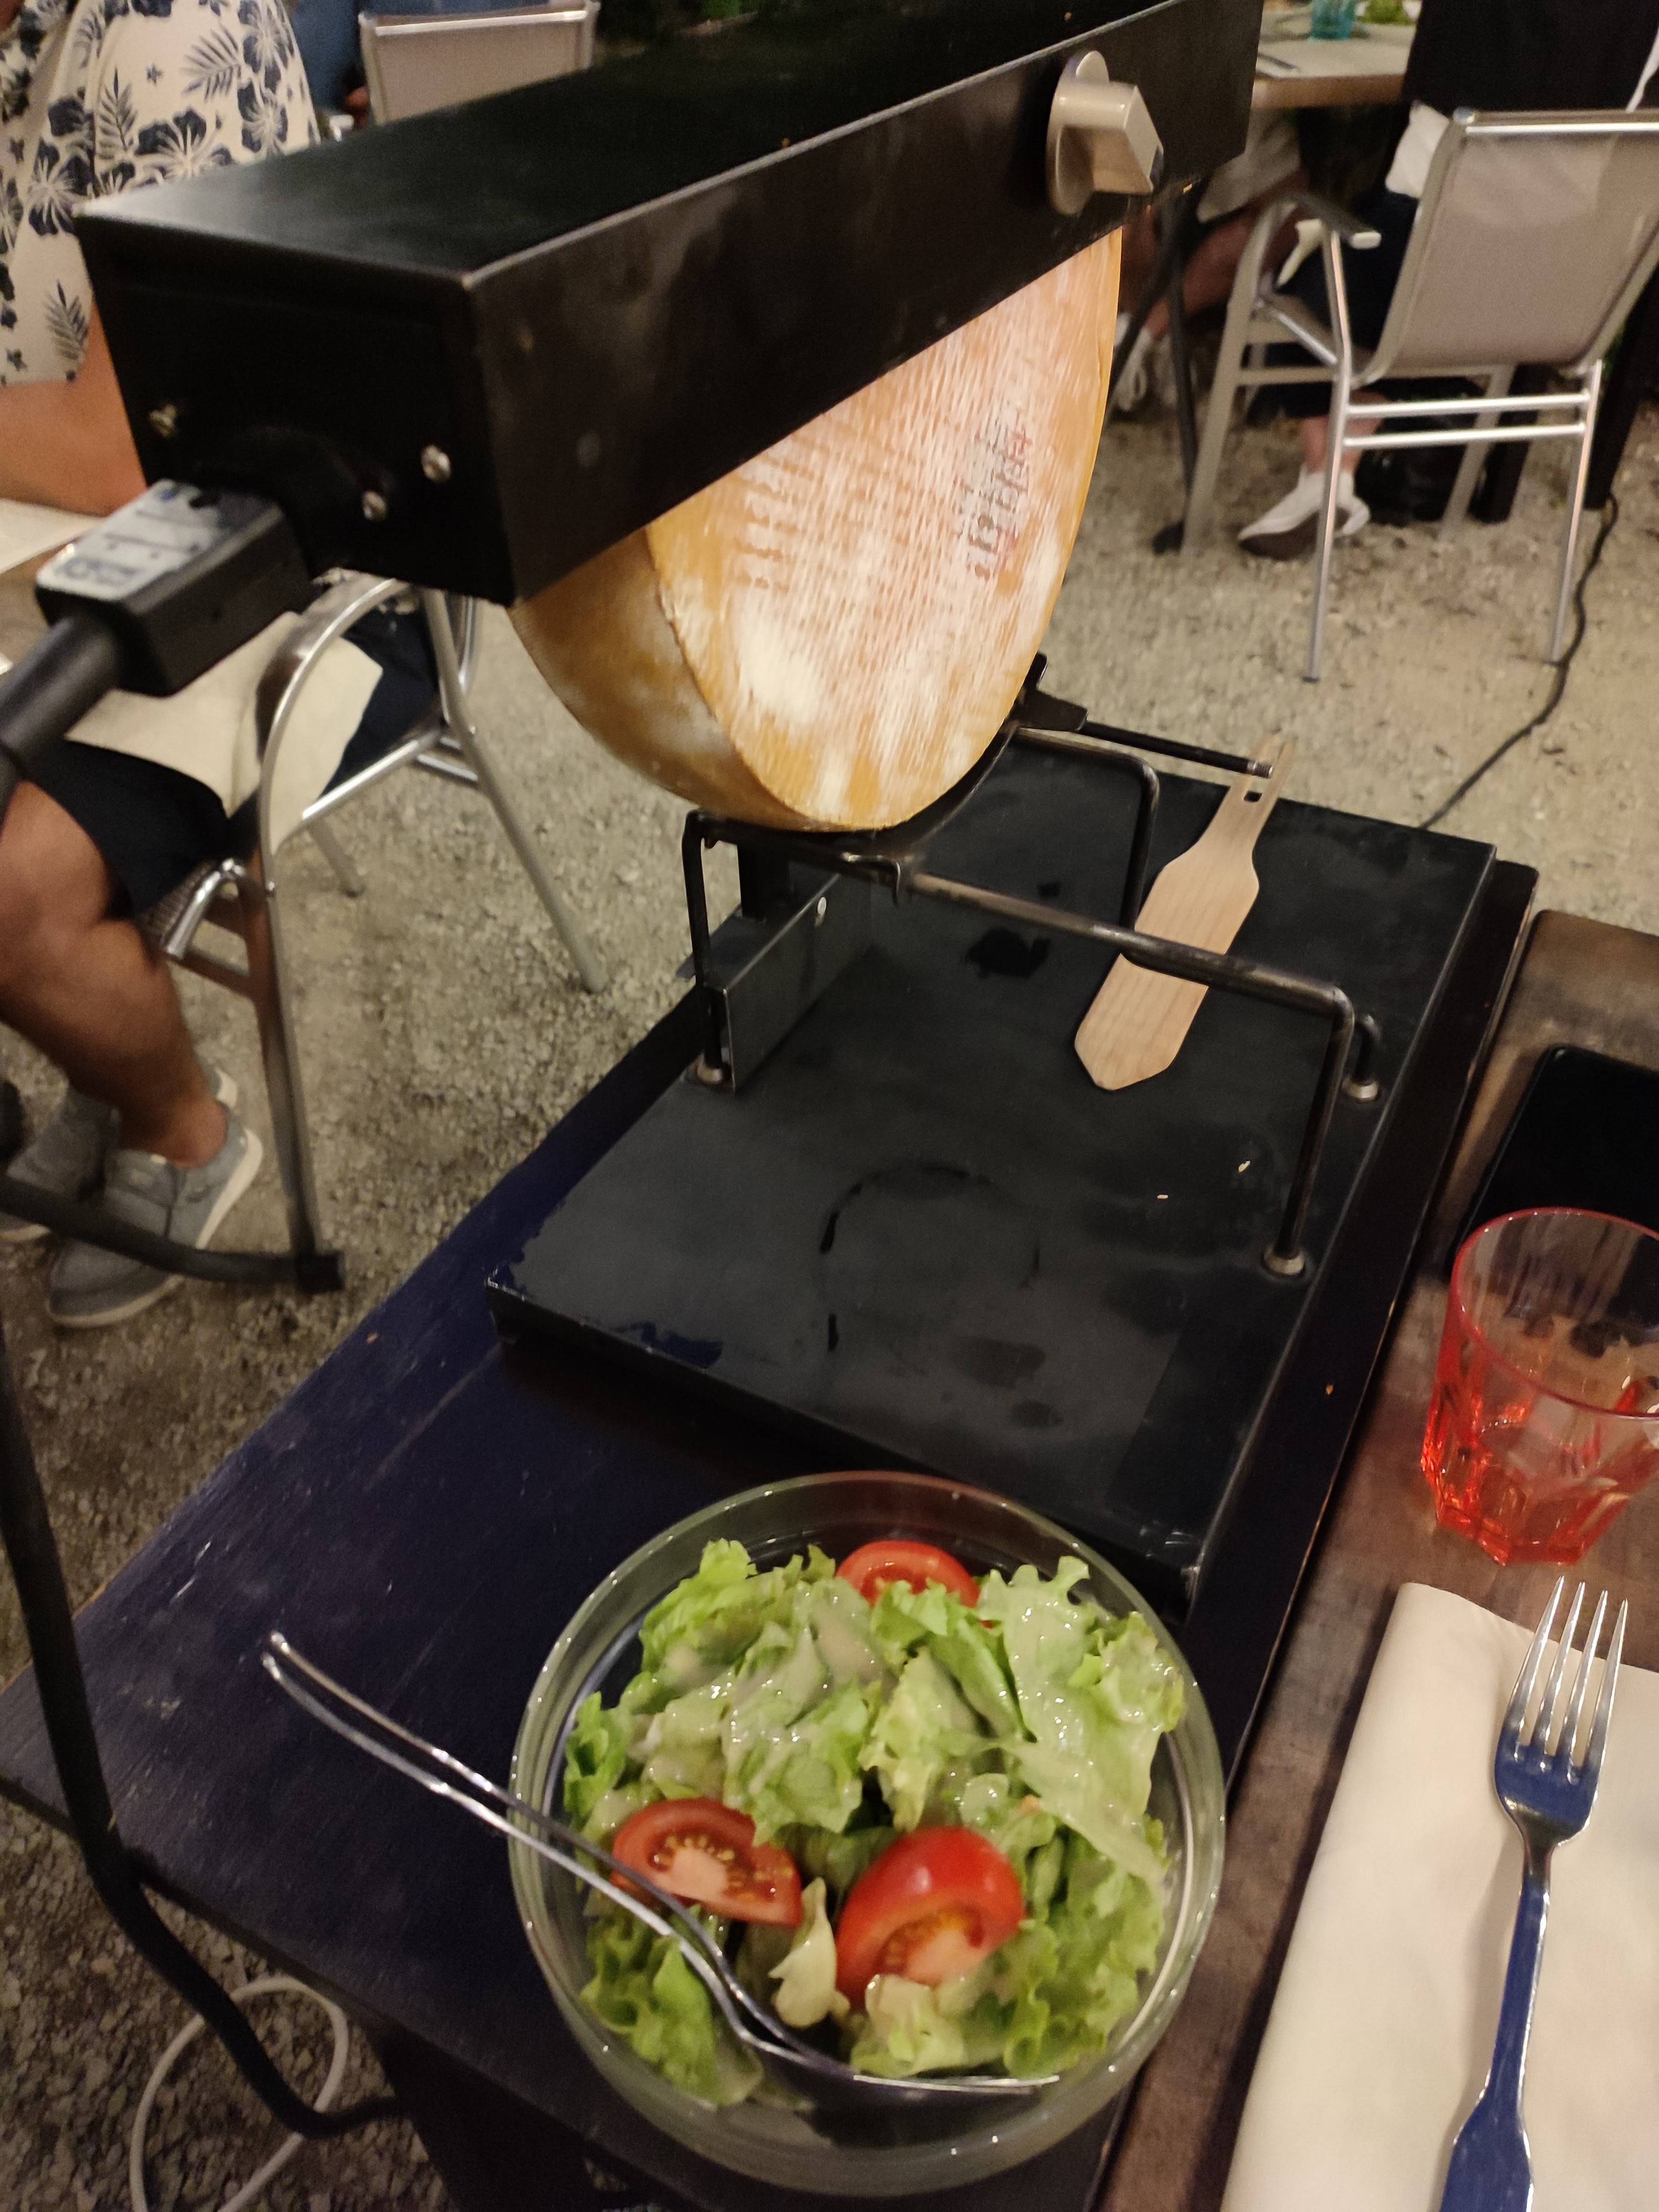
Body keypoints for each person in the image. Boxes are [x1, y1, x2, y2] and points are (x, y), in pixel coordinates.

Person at [0, 0, 433, 1324]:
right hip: (72, 563)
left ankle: (180, 1128)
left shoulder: (166, 27)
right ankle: (102, 1049)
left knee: (9, 896)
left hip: (276, 587)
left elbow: (117, 452)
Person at [1238, 0, 1659, 558]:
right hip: (1548, 299)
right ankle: (1341, 461)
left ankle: (1327, 475)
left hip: (1415, 287)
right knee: (1396, 279)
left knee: (1318, 278)